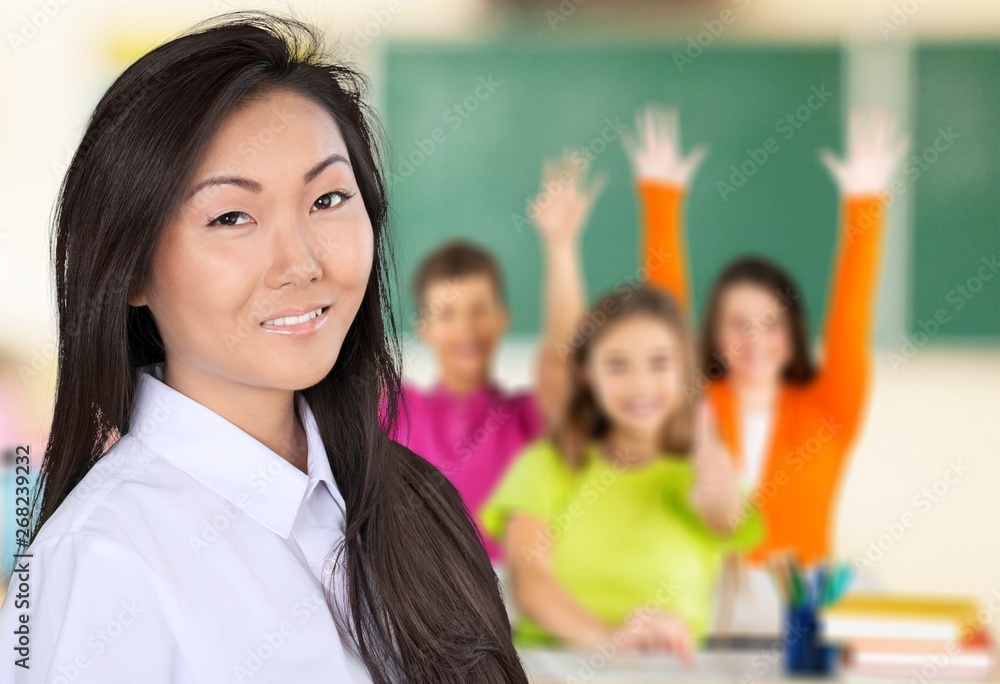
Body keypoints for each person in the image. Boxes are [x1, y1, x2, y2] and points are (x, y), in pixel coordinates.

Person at [0, 13, 527, 683]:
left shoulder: (416, 502)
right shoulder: (103, 559)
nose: (301, 263)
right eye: (231, 217)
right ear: (130, 268)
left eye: (329, 198)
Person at [625, 105, 907, 566]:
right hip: (706, 612)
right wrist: (661, 199)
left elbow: (850, 320)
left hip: (800, 612)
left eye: (771, 323)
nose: (755, 339)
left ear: (794, 334)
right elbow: (665, 323)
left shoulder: (830, 410)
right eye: (738, 323)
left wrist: (865, 204)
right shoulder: (696, 405)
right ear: (712, 334)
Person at [479, 286, 763, 656]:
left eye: (660, 363)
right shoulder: (546, 466)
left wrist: (718, 491)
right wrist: (609, 642)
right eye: (616, 365)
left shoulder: (700, 473)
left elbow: (725, 517)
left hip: (668, 671)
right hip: (552, 669)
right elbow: (531, 584)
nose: (640, 384)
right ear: (586, 373)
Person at [388, 152, 604, 563]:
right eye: (447, 315)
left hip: (516, 604)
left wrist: (561, 247)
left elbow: (564, 363)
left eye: (478, 310)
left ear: (502, 319)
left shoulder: (527, 417)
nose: (465, 328)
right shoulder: (396, 410)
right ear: (424, 329)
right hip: (420, 604)